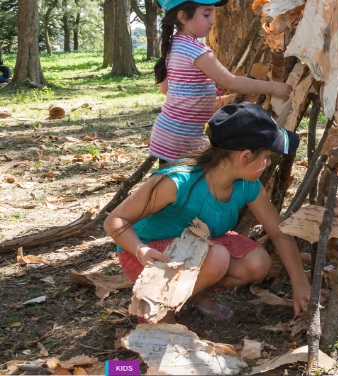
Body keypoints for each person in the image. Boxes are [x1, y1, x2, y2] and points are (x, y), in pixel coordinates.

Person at [105, 103, 311, 322]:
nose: (269, 163)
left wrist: (300, 284)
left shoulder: (248, 184)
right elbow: (114, 221)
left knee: (257, 262)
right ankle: (155, 311)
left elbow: (278, 232)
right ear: (245, 156)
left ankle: (191, 294)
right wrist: (140, 250)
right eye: (267, 157)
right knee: (217, 257)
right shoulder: (177, 182)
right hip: (146, 254)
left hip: (196, 248)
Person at [150, 0, 292, 164]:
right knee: (189, 186)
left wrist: (203, 93)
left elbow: (166, 88)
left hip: (166, 134)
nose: (212, 20)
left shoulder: (174, 45)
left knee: (170, 185)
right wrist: (273, 87)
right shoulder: (196, 50)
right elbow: (230, 82)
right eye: (206, 14)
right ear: (182, 16)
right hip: (183, 138)